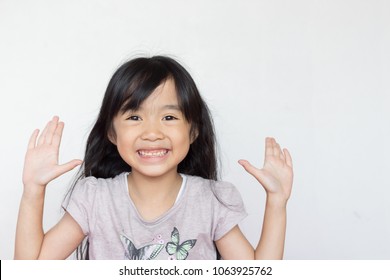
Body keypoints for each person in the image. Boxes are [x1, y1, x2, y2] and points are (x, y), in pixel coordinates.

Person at [14, 56, 293, 260]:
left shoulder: (211, 201)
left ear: (193, 130)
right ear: (111, 132)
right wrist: (33, 191)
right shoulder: (95, 200)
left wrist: (277, 203)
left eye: (169, 117)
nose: (152, 132)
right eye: (134, 117)